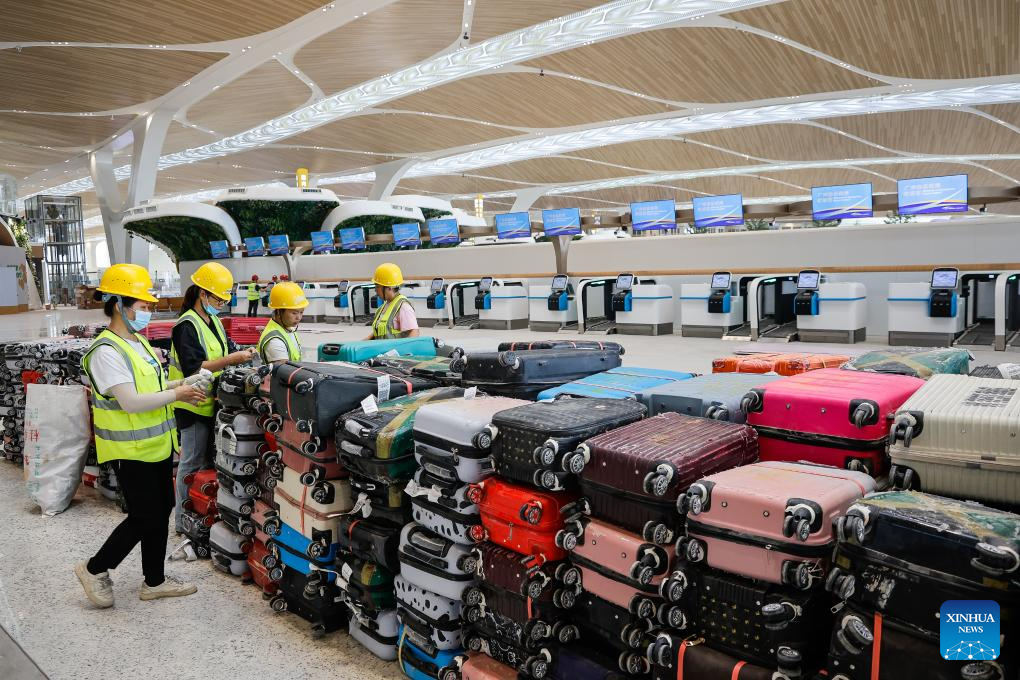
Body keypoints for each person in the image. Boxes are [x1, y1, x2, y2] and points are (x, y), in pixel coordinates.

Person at [75, 263, 207, 607]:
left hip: (156, 445)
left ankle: (154, 581)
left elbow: (154, 387)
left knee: (162, 509)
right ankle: (94, 569)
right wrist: (178, 395)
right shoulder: (106, 351)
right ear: (119, 304)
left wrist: (184, 383)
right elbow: (131, 402)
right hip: (129, 449)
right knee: (144, 515)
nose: (148, 310)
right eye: (143, 305)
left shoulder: (139, 343)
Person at [169, 262, 256, 536]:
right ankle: (182, 520)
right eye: (218, 299)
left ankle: (202, 515)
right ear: (202, 294)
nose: (220, 304)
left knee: (209, 462)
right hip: (192, 403)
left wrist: (242, 355)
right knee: (191, 461)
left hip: (213, 403)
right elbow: (194, 367)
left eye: (223, 300)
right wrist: (231, 359)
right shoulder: (186, 325)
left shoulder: (214, 321)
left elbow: (226, 349)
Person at [257, 281, 307, 365]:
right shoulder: (275, 341)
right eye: (294, 313)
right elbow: (285, 371)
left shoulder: (289, 327)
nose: (298, 317)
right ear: (279, 312)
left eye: (301, 312)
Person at [365, 262, 419, 340]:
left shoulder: (403, 307)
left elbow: (414, 333)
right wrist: (362, 343)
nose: (375, 290)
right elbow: (379, 332)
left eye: (378, 286)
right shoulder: (383, 307)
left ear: (389, 288)